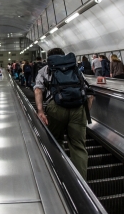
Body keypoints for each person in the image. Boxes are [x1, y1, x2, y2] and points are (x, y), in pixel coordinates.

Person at [34, 47, 89, 179]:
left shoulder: (45, 70)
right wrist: (85, 112)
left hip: (55, 108)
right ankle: (81, 183)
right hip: (78, 108)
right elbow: (88, 92)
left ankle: (61, 177)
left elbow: (38, 90)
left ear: (49, 58)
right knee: (78, 146)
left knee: (55, 141)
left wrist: (40, 111)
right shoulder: (74, 68)